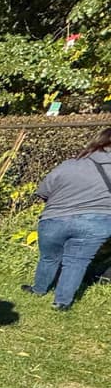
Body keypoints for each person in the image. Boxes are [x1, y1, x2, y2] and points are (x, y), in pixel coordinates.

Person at [21, 126, 111, 310]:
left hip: (55, 218)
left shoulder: (71, 164)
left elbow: (44, 191)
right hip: (98, 222)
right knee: (77, 262)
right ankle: (61, 302)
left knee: (49, 257)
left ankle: (39, 290)